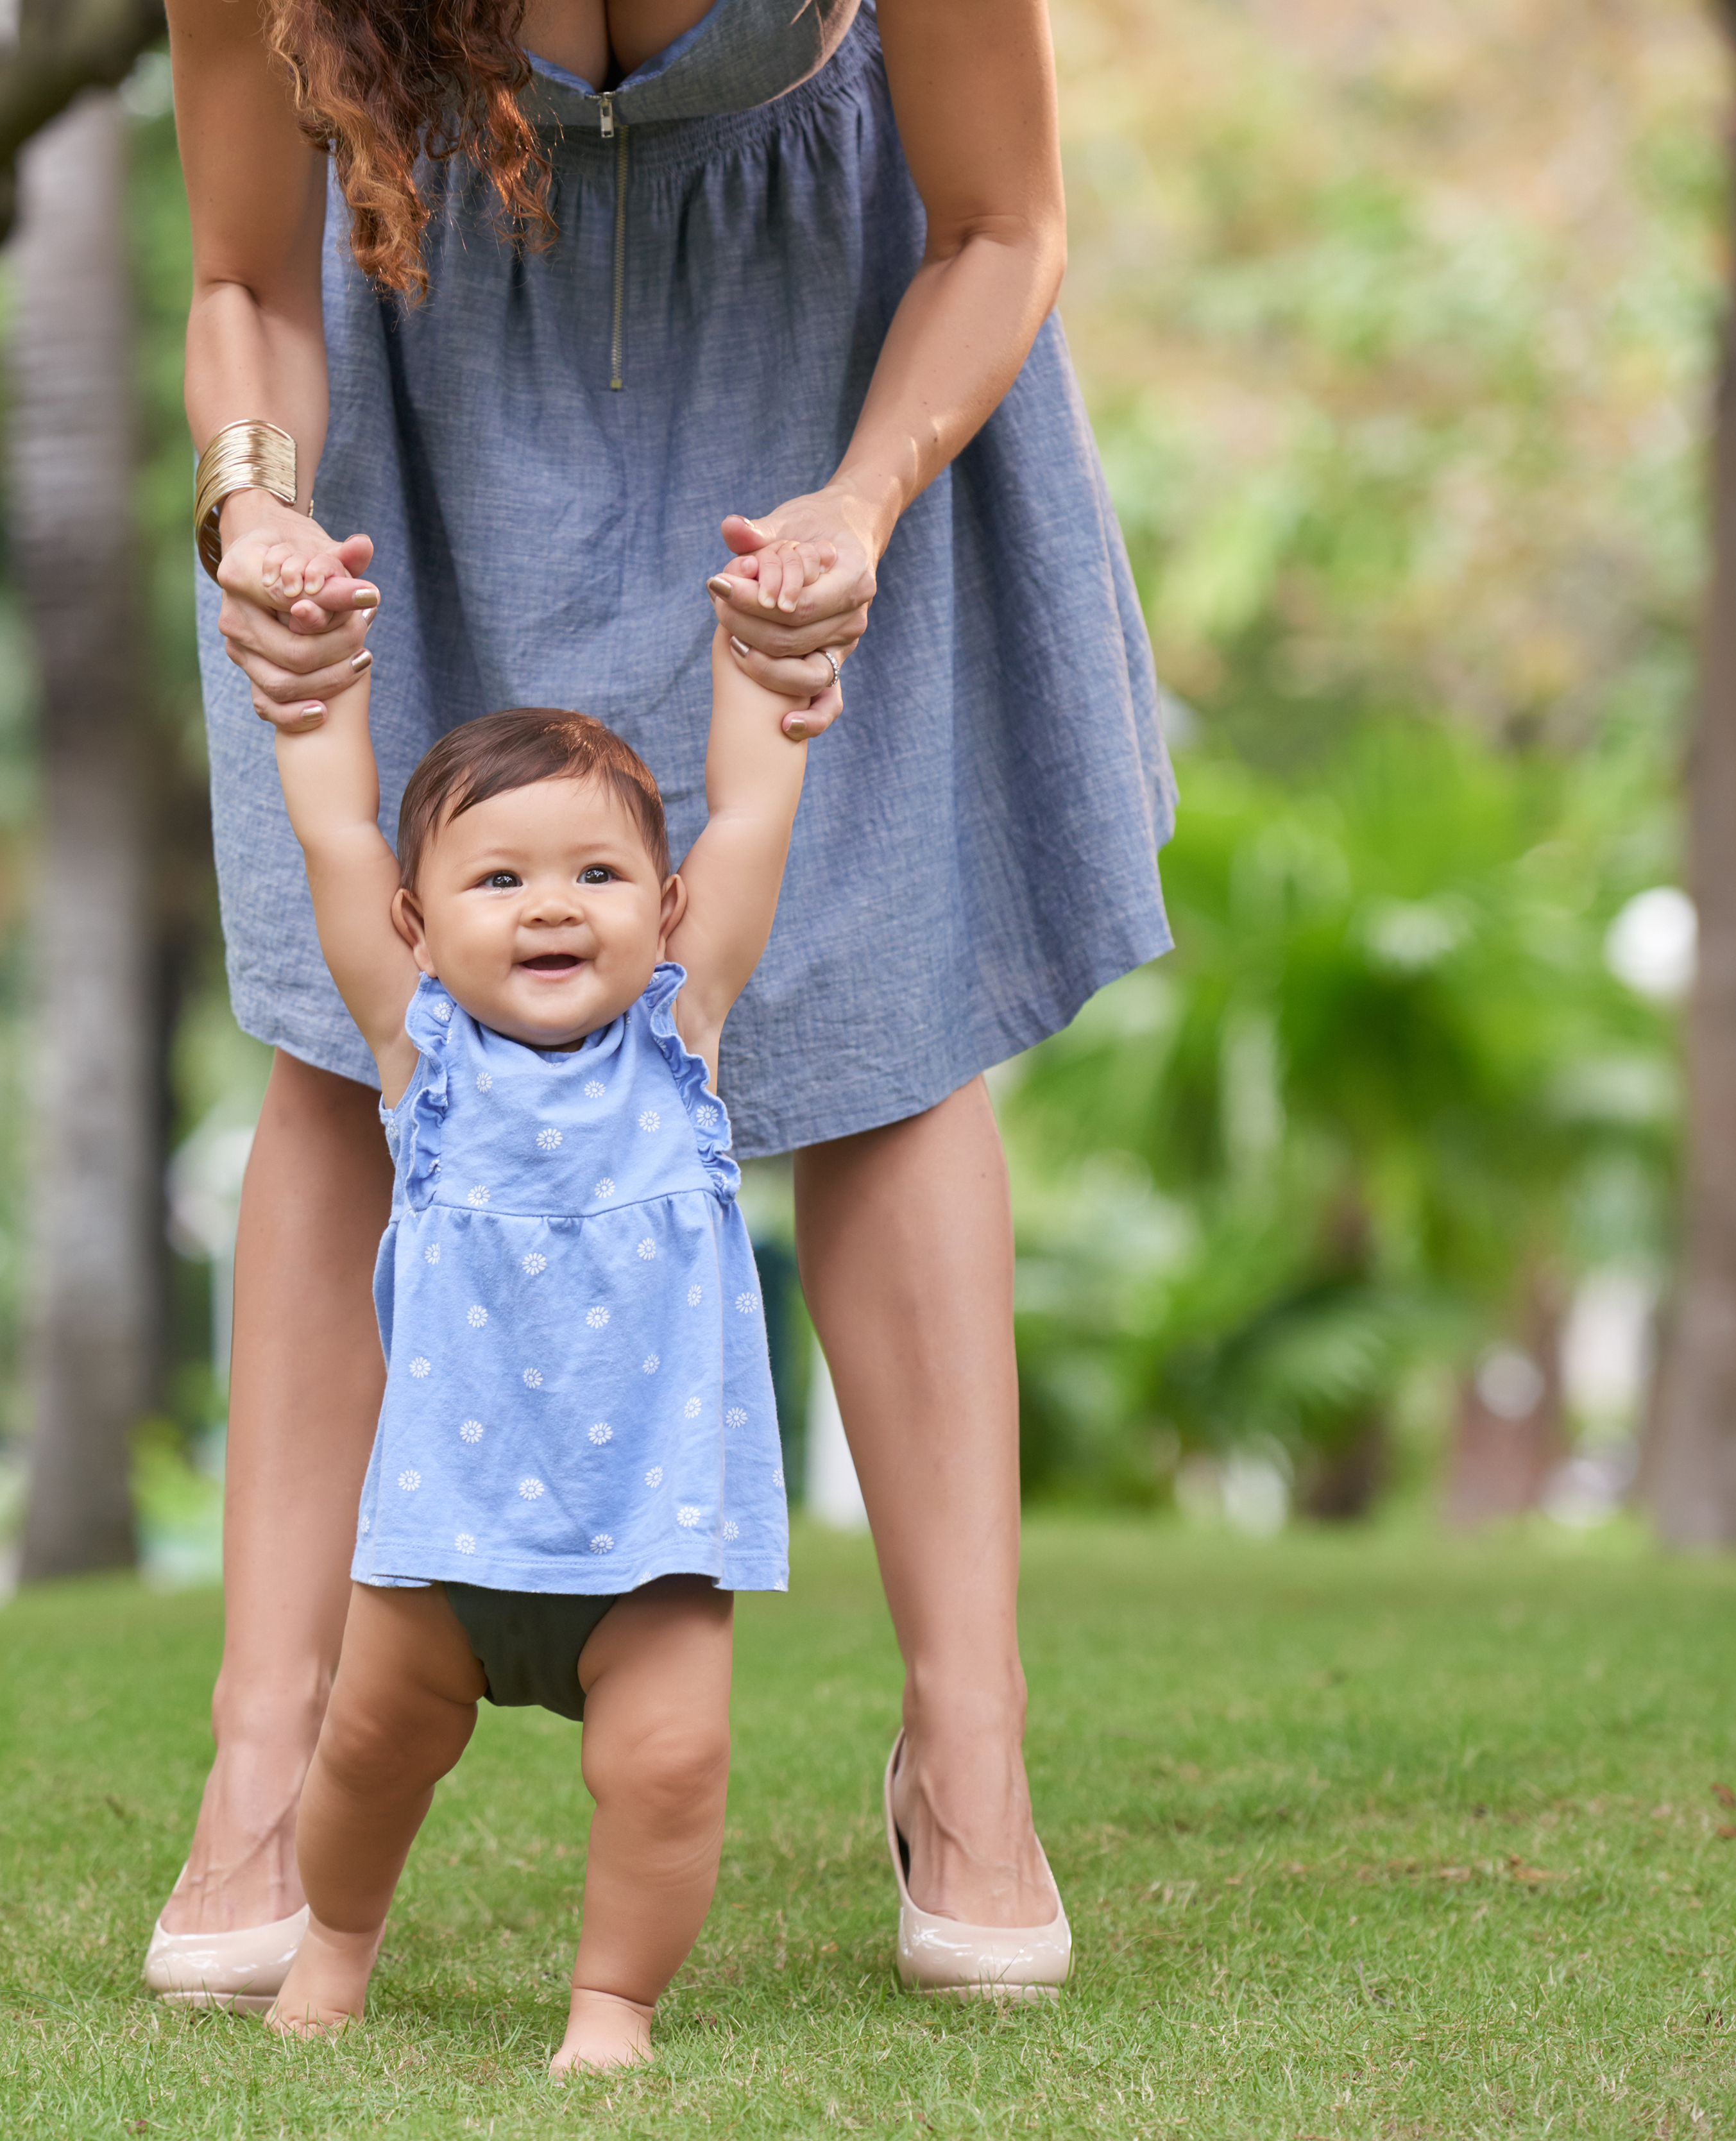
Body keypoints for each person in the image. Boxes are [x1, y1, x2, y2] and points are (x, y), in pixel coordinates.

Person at [150, 0, 1173, 2006]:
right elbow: (242, 273)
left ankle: (970, 1757)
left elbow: (1002, 226)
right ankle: (263, 1763)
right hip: (421, 390)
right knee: (350, 1053)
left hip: (836, 375)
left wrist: (863, 504)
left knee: (884, 1022)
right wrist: (253, 500)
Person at [255, 540, 819, 2072]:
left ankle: (610, 2005)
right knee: (368, 1751)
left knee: (673, 1763)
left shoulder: (678, 1050)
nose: (550, 907)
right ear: (417, 926)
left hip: (652, 1536)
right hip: (443, 1540)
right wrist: (316, 688)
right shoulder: (422, 1063)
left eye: (595, 875)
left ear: (665, 904)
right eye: (496, 879)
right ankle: (335, 1938)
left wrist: (761, 667)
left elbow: (754, 814)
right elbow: (325, 839)